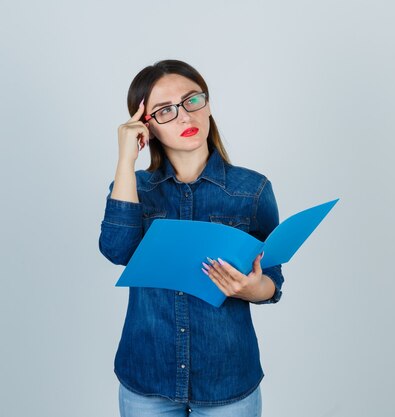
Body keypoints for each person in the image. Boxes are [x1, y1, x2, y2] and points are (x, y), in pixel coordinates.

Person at [98, 59, 285, 417]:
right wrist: (125, 160)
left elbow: (272, 280)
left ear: (208, 104)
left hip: (227, 380)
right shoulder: (134, 189)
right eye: (165, 110)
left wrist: (253, 289)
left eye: (192, 101)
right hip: (147, 377)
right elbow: (116, 250)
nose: (185, 117)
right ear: (145, 126)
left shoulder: (253, 191)